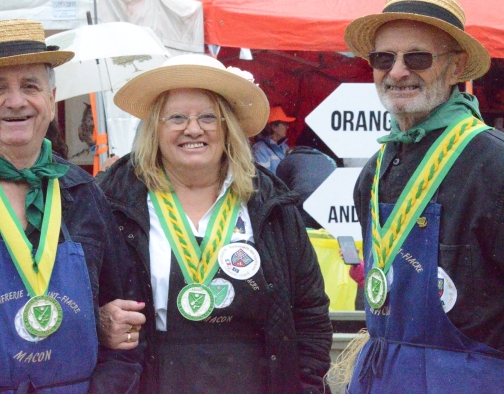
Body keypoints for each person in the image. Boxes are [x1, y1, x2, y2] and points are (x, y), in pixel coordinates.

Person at [0, 19, 144, 392]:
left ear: (51, 95)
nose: (16, 101)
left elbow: (126, 318)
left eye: (30, 86)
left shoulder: (84, 192)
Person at [97, 54, 333, 394]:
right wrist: (99, 322)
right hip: (154, 381)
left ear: (228, 127)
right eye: (176, 117)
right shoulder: (112, 202)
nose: (193, 129)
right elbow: (80, 297)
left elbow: (310, 312)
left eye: (208, 117)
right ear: (154, 128)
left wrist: (306, 385)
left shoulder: (271, 203)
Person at [344, 0, 504, 392]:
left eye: (418, 58)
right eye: (382, 58)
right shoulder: (375, 171)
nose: (397, 72)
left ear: (455, 66)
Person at [276, 127, 337, 229]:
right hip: (331, 212)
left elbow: (279, 194)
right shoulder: (328, 159)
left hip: (302, 213)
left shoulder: (287, 161)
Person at [252, 106, 295, 172]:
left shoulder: (285, 147)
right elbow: (264, 178)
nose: (287, 127)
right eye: (284, 124)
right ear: (274, 127)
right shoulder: (260, 149)